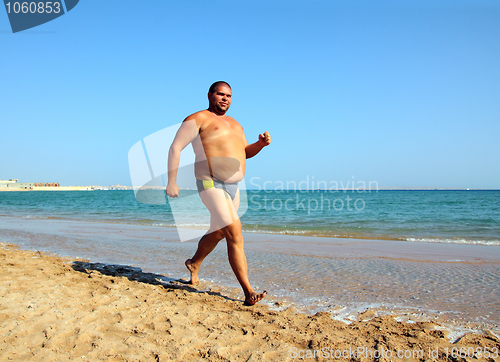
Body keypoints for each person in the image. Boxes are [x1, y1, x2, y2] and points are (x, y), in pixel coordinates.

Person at [166, 81, 271, 306]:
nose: (225, 99)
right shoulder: (198, 119)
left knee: (219, 232)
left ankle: (194, 263)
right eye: (220, 94)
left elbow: (245, 152)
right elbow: (175, 147)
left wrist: (259, 145)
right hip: (210, 182)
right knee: (235, 232)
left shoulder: (235, 124)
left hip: (234, 188)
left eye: (229, 96)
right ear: (210, 95)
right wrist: (171, 181)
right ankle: (248, 291)